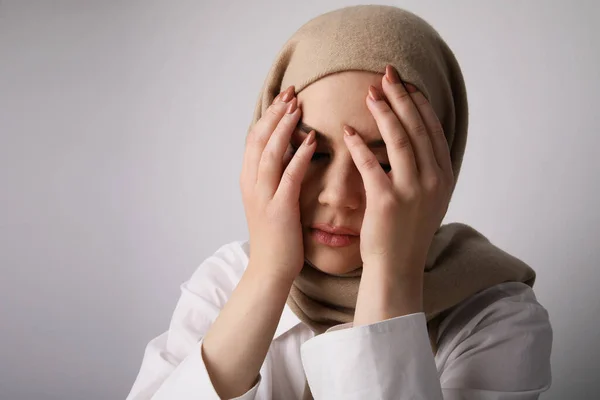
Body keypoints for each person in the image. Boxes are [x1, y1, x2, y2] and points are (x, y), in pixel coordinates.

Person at [126, 5, 552, 400]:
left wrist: (391, 270)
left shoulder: (494, 318)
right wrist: (268, 273)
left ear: (438, 169)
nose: (338, 196)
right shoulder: (226, 282)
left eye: (382, 162)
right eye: (311, 152)